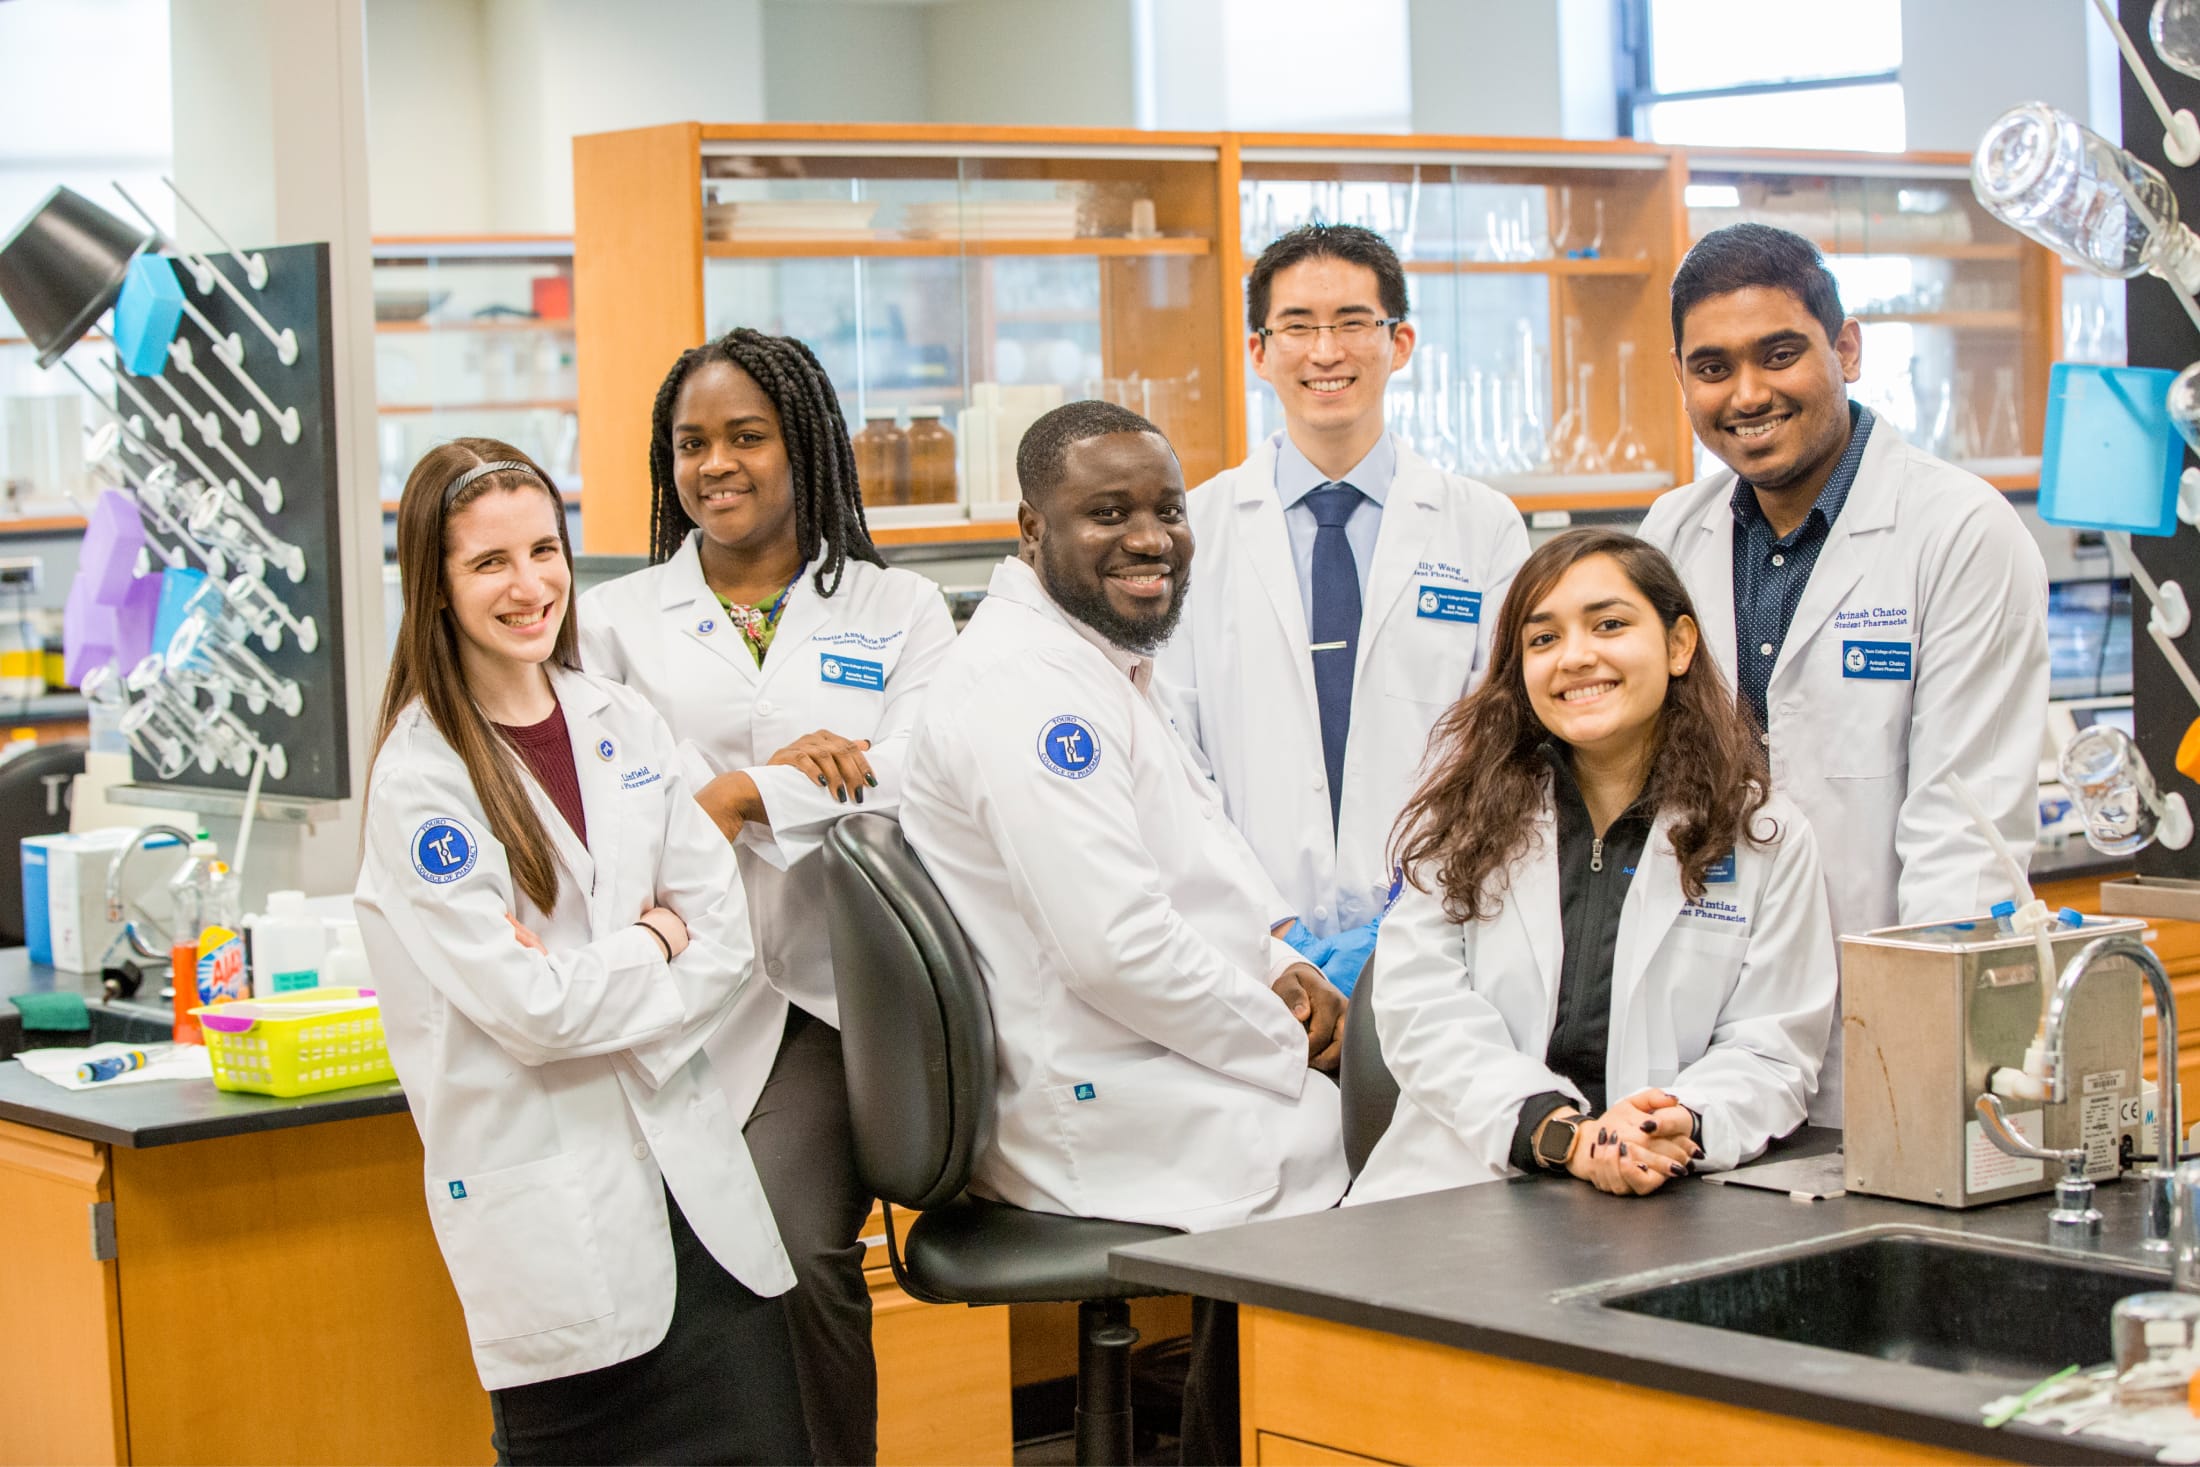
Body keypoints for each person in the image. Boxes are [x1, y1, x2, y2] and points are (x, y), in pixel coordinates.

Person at [900, 400, 1352, 1464]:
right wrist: (1284, 1039)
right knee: (1396, 1166)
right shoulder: (1029, 691)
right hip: (1095, 1099)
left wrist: (1283, 965)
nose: (1149, 538)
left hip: (1142, 1056)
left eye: (1166, 508)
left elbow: (1196, 870)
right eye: (1106, 512)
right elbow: (1116, 949)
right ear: (1029, 529)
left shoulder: (1094, 662)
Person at [354, 439, 808, 1465]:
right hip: (557, 1231)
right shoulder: (420, 783)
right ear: (435, 584)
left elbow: (727, 942)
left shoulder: (623, 721)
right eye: (489, 563)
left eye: (544, 552)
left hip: (702, 1220)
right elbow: (534, 1015)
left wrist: (598, 977)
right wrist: (652, 936)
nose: (530, 587)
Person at [581, 328, 956, 1467]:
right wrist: (778, 784)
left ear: (805, 449)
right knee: (666, 1269)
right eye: (691, 444)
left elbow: (928, 777)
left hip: (833, 998)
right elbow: (609, 814)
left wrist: (743, 795)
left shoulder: (899, 609)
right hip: (670, 996)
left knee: (794, 1252)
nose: (716, 465)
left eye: (746, 436)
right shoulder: (614, 620)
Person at [1637, 223, 2050, 1123]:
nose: (1746, 394)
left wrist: (1924, 1053)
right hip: (1698, 1055)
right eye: (1711, 368)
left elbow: (1962, 830)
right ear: (1681, 378)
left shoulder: (1959, 532)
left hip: (1878, 1039)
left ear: (1846, 348)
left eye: (1779, 354)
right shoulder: (1669, 534)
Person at [1347, 528, 1837, 1205]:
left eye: (1609, 625)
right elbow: (1421, 1013)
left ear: (1678, 644)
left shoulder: (1762, 835)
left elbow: (1773, 1047)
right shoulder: (1461, 821)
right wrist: (1563, 1134)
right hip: (1463, 1188)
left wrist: (1676, 1121)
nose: (1576, 657)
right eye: (1543, 639)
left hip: (1666, 1193)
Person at [1158, 223, 1528, 996]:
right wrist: (1266, 924)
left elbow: (1503, 743)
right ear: (1259, 352)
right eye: (1296, 326)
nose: (1325, 352)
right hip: (1249, 947)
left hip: (1441, 936)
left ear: (1400, 342)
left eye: (1354, 322)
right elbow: (1171, 757)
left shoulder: (1483, 526)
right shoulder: (1198, 528)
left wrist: (1411, 913)